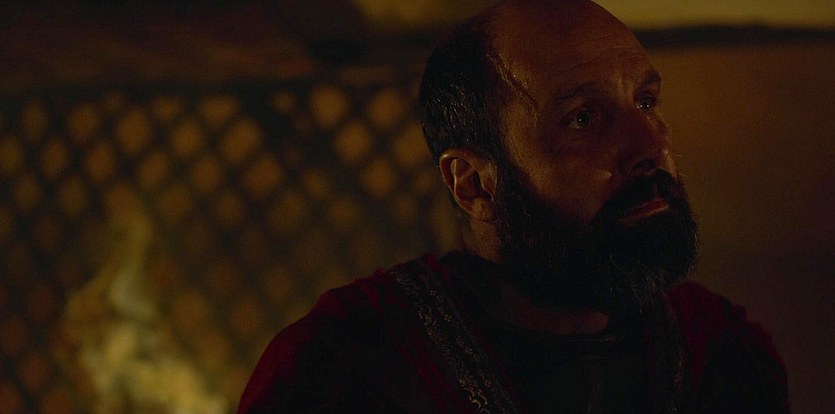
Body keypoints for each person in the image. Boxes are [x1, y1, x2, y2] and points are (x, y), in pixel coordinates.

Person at [237, 0, 789, 412]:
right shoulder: (347, 367)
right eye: (583, 119)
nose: (652, 146)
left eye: (646, 102)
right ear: (475, 185)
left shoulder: (720, 353)